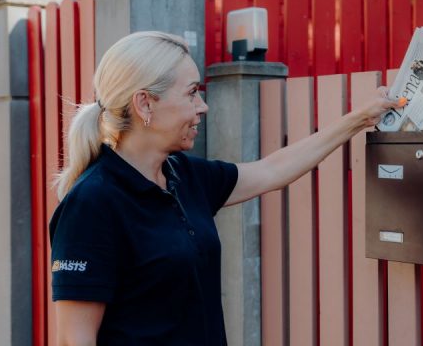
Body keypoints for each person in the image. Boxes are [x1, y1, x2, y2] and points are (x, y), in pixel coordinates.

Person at [49, 31, 399, 345]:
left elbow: (272, 170)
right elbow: (73, 339)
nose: (202, 107)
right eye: (192, 93)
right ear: (145, 103)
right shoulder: (93, 202)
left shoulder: (182, 175)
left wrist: (359, 119)